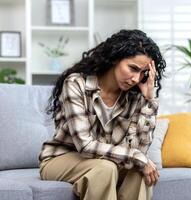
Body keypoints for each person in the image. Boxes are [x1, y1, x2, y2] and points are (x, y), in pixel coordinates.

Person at [38, 29, 166, 200]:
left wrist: (149, 100)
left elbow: (139, 149)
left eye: (143, 73)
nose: (136, 79)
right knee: (106, 168)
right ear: (115, 58)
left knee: (139, 172)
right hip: (61, 158)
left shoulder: (135, 96)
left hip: (109, 162)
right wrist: (137, 157)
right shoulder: (76, 84)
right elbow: (85, 145)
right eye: (132, 68)